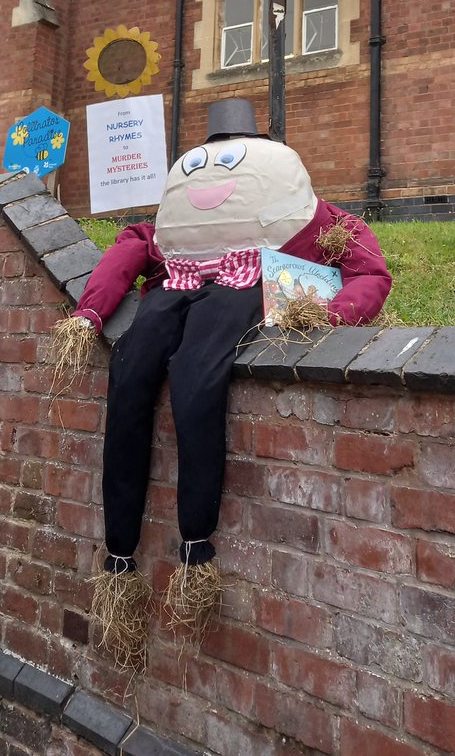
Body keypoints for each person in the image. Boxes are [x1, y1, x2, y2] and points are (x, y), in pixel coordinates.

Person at [60, 99, 391, 664]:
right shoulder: (186, 191)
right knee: (131, 371)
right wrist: (90, 314)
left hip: (244, 287)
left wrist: (332, 314)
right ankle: (119, 560)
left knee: (196, 380)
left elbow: (367, 266)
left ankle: (196, 549)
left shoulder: (293, 194)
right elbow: (132, 245)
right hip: (172, 289)